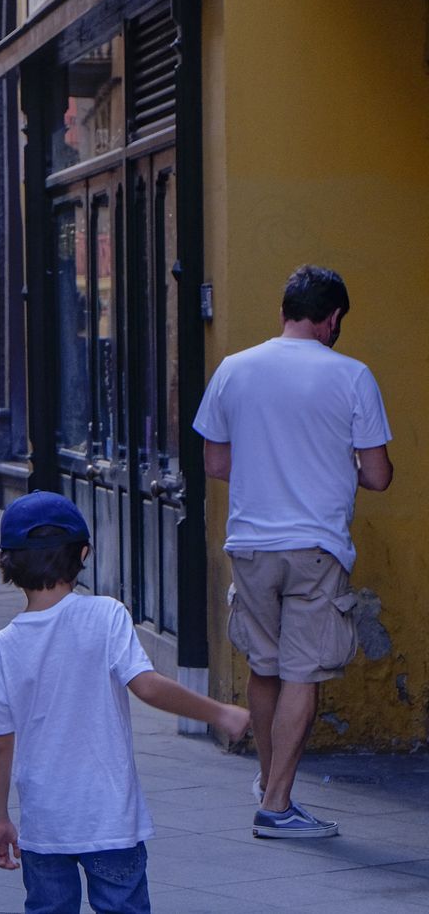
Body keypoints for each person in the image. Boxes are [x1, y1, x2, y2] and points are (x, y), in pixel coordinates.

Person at [0, 492, 252, 914]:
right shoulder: (106, 615)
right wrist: (219, 712)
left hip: (45, 824)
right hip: (110, 818)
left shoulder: (1, 648)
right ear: (83, 553)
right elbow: (147, 686)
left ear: (7, 564)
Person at [192, 264, 392, 839]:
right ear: (332, 320)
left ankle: (268, 781)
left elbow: (215, 464)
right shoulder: (352, 375)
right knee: (303, 673)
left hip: (251, 542)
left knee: (265, 665)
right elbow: (377, 476)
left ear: (283, 312)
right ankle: (277, 806)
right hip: (315, 546)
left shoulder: (233, 369)